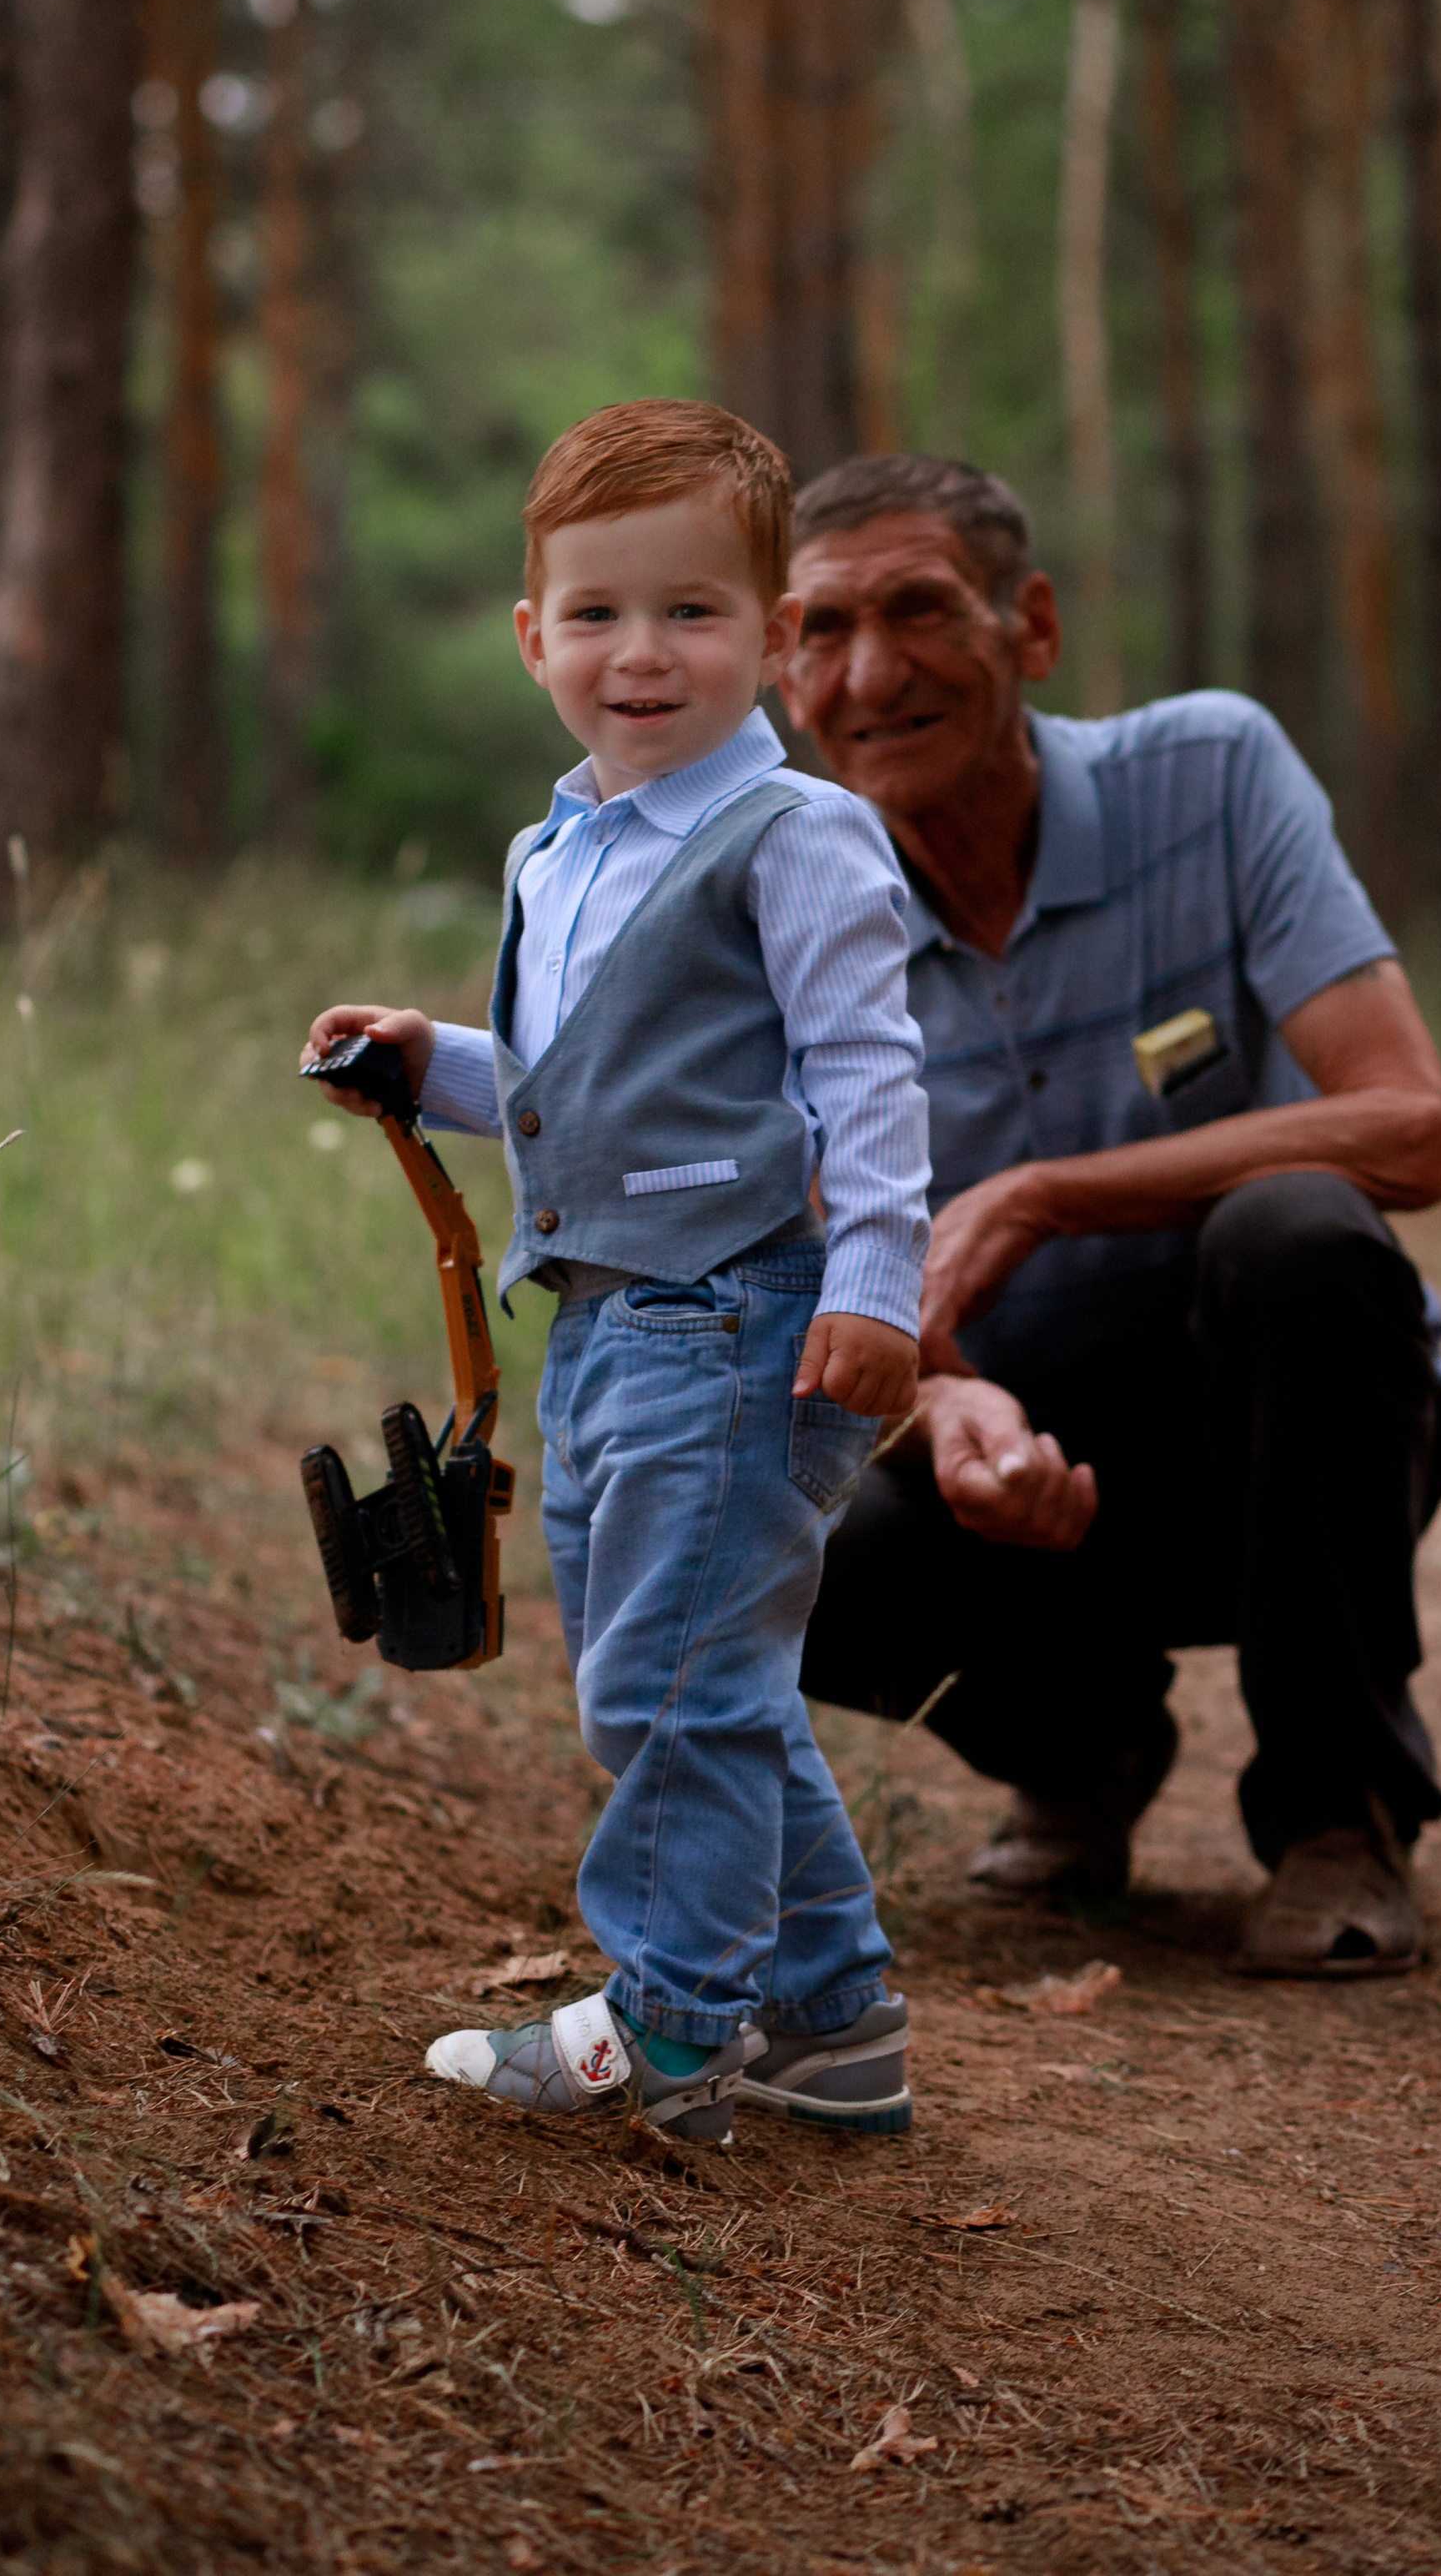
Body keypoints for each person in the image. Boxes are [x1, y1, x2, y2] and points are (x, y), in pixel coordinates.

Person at [303, 402, 931, 2141]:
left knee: (666, 1684)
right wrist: (428, 1060)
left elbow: (865, 1083)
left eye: (690, 614)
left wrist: (881, 1288)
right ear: (531, 639)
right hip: (601, 1325)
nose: (637, 655)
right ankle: (829, 2021)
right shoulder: (557, 849)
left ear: (773, 643)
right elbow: (586, 1099)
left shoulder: (794, 838)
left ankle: (669, 2023)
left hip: (740, 1316)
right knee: (693, 1673)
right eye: (593, 615)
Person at [776, 455, 1441, 1977]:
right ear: (782, 672)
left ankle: (1338, 1816)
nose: (871, 672)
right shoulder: (787, 916)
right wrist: (954, 1406)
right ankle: (1081, 1755)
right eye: (821, 630)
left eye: (919, 612)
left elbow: (1409, 1129)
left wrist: (1041, 1192)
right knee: (755, 1510)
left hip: (1298, 1436)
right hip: (1035, 1477)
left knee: (1299, 1230)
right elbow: (841, 1291)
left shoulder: (1209, 775)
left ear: (1032, 627)